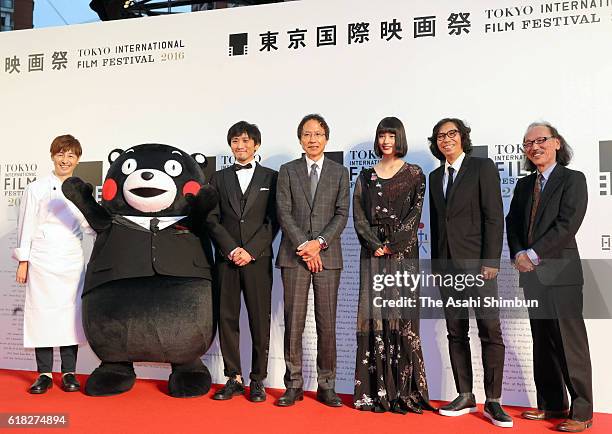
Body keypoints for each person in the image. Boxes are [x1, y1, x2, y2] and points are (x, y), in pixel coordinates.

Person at [506, 122, 592, 433]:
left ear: (556, 143)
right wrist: (518, 253)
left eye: (541, 140)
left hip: (562, 274)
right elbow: (512, 222)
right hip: (531, 275)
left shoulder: (573, 180)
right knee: (542, 342)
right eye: (527, 143)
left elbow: (567, 224)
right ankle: (552, 403)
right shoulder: (524, 185)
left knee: (570, 344)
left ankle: (581, 411)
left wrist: (533, 254)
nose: (534, 147)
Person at [428, 118, 512, 427]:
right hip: (448, 268)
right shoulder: (435, 176)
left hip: (479, 266)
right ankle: (465, 394)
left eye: (452, 134)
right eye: (440, 136)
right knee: (455, 331)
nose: (446, 139)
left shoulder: (482, 168)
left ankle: (493, 401)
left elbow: (494, 216)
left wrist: (491, 260)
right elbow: (438, 224)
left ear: (463, 138)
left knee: (490, 330)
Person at [352, 117, 433, 414]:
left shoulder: (415, 174)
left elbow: (415, 214)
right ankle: (374, 392)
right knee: (374, 317)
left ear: (399, 138)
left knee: (403, 320)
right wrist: (375, 244)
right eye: (382, 135)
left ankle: (404, 392)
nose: (386, 140)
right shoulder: (365, 176)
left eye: (391, 135)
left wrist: (393, 245)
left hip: (403, 256)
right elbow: (358, 215)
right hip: (372, 255)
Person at [275, 114, 349, 407]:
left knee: (326, 324)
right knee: (293, 323)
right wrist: (304, 246)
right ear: (300, 139)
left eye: (318, 134)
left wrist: (318, 244)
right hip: (294, 257)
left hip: (328, 257)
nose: (312, 139)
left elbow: (342, 213)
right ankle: (292, 385)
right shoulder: (287, 170)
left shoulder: (339, 172)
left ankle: (326, 385)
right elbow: (283, 211)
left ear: (326, 138)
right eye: (307, 134)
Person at [207, 121, 279, 402]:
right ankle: (232, 377)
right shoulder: (217, 178)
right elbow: (211, 219)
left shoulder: (271, 178)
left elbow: (274, 221)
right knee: (227, 318)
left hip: (257, 259)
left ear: (256, 145)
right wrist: (231, 249)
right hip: (226, 260)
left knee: (259, 320)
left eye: (246, 141)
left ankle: (257, 379)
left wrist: (250, 250)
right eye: (236, 141)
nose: (241, 146)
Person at [14, 134, 90, 394]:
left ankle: (69, 373)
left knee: (70, 315)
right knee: (42, 315)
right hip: (42, 258)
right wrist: (23, 260)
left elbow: (89, 226)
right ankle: (44, 373)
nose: (65, 160)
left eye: (71, 155)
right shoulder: (35, 188)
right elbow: (27, 225)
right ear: (52, 155)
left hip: (71, 258)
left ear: (78, 159)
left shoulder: (83, 189)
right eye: (61, 154)